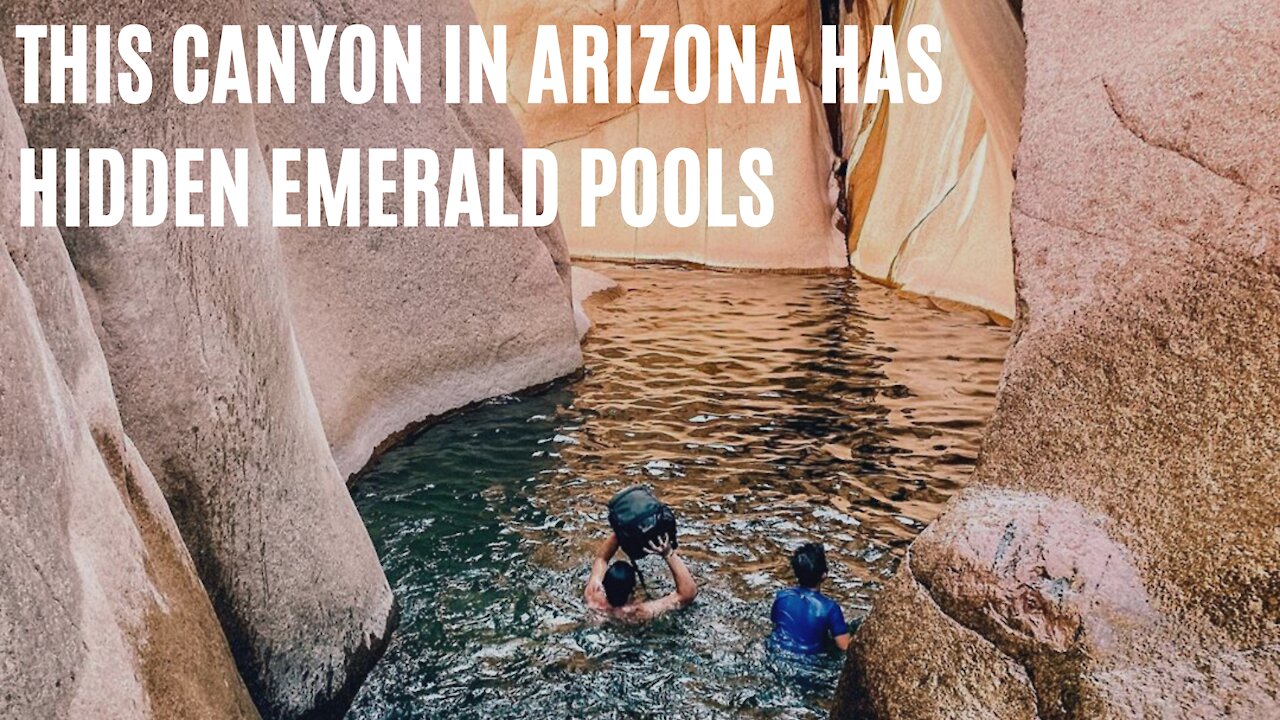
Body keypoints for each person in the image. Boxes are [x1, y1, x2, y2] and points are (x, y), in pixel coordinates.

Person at [583, 533, 698, 622]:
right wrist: (668, 553)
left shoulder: (593, 595)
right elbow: (687, 594)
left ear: (604, 584)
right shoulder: (640, 613)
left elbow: (601, 559)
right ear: (633, 590)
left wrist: (619, 533)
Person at [769, 543, 850, 654]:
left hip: (778, 653)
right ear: (824, 575)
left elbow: (775, 624)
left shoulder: (782, 597)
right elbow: (845, 646)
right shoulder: (830, 608)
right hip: (811, 664)